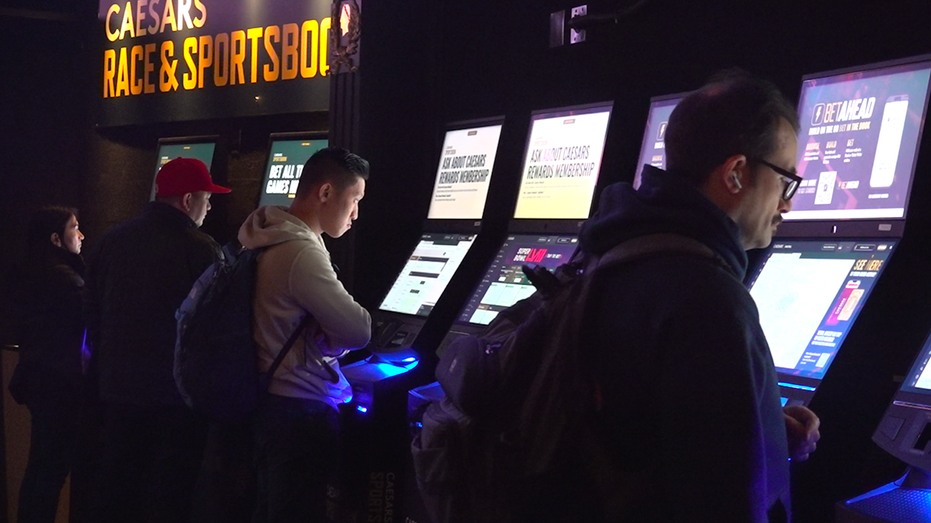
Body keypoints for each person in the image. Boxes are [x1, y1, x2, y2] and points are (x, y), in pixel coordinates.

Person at [524, 73, 821, 522]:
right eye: (785, 181)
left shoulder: (611, 246)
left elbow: (640, 421)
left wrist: (763, 429)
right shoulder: (709, 299)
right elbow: (723, 498)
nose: (787, 205)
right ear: (736, 173)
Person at [84, 157, 230, 523]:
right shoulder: (201, 248)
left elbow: (92, 318)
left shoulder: (110, 242)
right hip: (175, 400)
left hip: (117, 393)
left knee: (118, 491)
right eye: (206, 198)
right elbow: (216, 327)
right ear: (187, 200)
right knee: (171, 497)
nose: (209, 206)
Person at [238, 147, 372, 523]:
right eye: (355, 199)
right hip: (301, 408)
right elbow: (358, 329)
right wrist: (331, 338)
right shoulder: (300, 251)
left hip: (268, 401)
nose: (356, 213)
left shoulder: (266, 236)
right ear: (326, 193)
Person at [10, 206, 87, 523]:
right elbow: (92, 319)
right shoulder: (65, 278)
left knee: (39, 467)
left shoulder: (30, 271)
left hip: (38, 381)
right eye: (75, 228)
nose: (81, 235)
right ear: (56, 238)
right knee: (52, 473)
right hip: (61, 385)